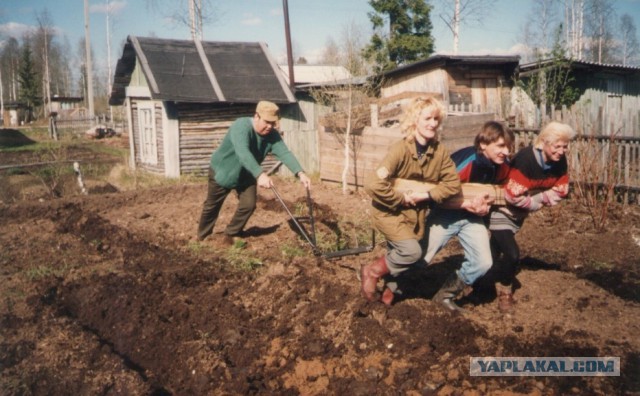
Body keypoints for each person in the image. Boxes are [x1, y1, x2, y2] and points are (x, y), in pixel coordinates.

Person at [361, 96, 461, 305]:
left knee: (400, 255)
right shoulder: (400, 149)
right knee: (411, 251)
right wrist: (401, 198)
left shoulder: (439, 152)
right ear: (415, 120)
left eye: (436, 119)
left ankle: (387, 298)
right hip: (388, 212)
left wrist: (427, 195)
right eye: (428, 118)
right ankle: (372, 271)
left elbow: (453, 185)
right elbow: (373, 184)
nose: (433, 124)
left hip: (415, 217)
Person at [419, 121, 514, 312]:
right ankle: (389, 286)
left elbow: (501, 193)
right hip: (445, 213)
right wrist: (467, 204)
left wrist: (486, 206)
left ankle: (444, 296)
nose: (506, 152)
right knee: (419, 258)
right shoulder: (466, 161)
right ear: (483, 144)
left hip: (472, 218)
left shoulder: (503, 166)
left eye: (508, 147)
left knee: (483, 262)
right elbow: (436, 194)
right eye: (501, 146)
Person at [488, 121, 576, 313]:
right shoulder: (526, 159)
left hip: (519, 214)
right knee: (512, 254)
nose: (561, 151)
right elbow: (512, 195)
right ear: (544, 142)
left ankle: (482, 281)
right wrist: (535, 202)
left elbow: (561, 190)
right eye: (557, 146)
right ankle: (505, 292)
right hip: (501, 210)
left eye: (565, 146)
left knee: (492, 252)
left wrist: (538, 197)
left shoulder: (559, 161)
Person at [197, 101, 311, 245]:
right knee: (212, 206)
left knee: (249, 205)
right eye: (267, 122)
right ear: (256, 116)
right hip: (224, 170)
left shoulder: (272, 135)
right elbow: (243, 152)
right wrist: (260, 174)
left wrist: (300, 173)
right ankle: (203, 237)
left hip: (247, 174)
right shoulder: (241, 126)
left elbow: (284, 153)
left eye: (273, 123)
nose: (270, 126)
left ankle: (231, 232)